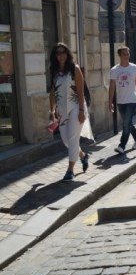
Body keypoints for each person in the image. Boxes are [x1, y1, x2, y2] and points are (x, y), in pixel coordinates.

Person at [48, 43, 93, 181]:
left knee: (73, 139)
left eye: (63, 52)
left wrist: (81, 110)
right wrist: (52, 109)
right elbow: (52, 92)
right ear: (55, 56)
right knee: (67, 141)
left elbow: (80, 91)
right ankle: (83, 156)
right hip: (61, 110)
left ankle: (70, 170)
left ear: (67, 54)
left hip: (75, 107)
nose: (60, 55)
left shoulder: (75, 69)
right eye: (57, 53)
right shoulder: (54, 71)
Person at [109, 46, 136, 154]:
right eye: (124, 54)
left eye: (128, 54)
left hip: (132, 100)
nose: (127, 56)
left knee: (126, 124)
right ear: (120, 56)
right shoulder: (114, 70)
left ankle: (122, 145)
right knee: (128, 123)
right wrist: (110, 102)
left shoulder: (135, 68)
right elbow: (112, 87)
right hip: (120, 102)